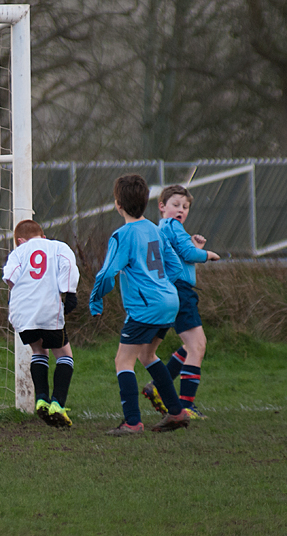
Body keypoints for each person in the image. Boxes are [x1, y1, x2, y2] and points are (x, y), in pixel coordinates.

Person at [88, 174, 191, 436]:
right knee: (147, 355)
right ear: (146, 202)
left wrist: (95, 299)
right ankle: (176, 411)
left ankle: (133, 422)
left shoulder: (122, 235)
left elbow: (107, 273)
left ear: (118, 204)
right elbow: (175, 267)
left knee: (123, 361)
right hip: (169, 301)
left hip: (147, 307)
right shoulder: (155, 230)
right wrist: (161, 286)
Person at [141, 185, 220, 419]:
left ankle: (158, 385)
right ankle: (185, 406)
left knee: (190, 345)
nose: (181, 210)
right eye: (175, 204)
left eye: (185, 207)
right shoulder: (173, 226)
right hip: (181, 292)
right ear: (162, 206)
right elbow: (188, 255)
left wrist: (193, 249)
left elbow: (180, 257)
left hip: (170, 291)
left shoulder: (160, 229)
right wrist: (207, 254)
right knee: (197, 346)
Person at [2, 219, 79, 427]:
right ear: (42, 236)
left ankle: (42, 399)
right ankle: (57, 404)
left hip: (23, 314)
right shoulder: (58, 247)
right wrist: (70, 293)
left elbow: (9, 277)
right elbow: (69, 266)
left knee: (38, 351)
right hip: (48, 310)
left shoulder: (18, 252)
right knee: (64, 355)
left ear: (20, 240)